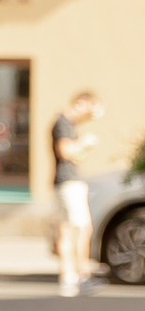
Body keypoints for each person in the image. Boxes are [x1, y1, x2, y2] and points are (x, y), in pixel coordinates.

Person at [49, 90, 95, 296]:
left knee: (67, 229)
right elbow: (66, 152)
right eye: (89, 111)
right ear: (81, 104)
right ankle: (81, 274)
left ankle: (69, 276)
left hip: (65, 182)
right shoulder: (64, 123)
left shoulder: (65, 124)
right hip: (69, 182)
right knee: (81, 228)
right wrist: (84, 143)